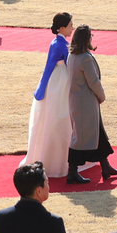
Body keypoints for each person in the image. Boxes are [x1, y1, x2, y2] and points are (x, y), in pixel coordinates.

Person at [66, 25, 117, 184]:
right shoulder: (85, 58)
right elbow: (94, 82)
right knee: (80, 139)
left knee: (98, 135)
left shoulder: (73, 55)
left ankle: (105, 165)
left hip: (79, 101)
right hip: (86, 103)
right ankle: (72, 172)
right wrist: (102, 96)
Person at [23, 13, 75, 177]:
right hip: (60, 83)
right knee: (60, 118)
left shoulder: (57, 43)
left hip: (55, 82)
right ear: (61, 28)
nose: (72, 28)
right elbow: (69, 64)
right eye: (70, 25)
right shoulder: (62, 45)